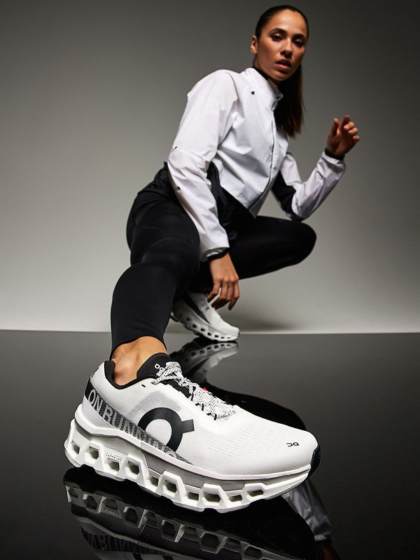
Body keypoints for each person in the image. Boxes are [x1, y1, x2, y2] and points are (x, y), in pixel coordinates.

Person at [64, 4, 360, 512]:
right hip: (171, 205)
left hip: (225, 224)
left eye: (298, 41)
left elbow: (297, 204)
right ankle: (127, 377)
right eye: (278, 36)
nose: (288, 48)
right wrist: (218, 251)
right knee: (172, 250)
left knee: (298, 237)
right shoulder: (226, 86)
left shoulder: (278, 130)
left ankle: (188, 288)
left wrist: (332, 158)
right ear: (255, 43)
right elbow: (185, 164)